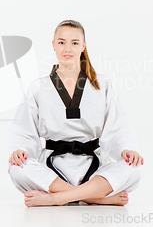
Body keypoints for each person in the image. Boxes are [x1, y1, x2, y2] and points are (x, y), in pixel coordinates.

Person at [8, 20, 144, 207]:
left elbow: (118, 126)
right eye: (62, 42)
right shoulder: (38, 87)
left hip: (93, 165)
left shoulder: (101, 84)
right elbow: (24, 130)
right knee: (17, 169)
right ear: (53, 45)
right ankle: (95, 197)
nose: (67, 48)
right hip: (53, 165)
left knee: (134, 168)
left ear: (83, 46)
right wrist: (21, 150)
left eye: (74, 42)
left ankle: (58, 198)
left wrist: (125, 149)